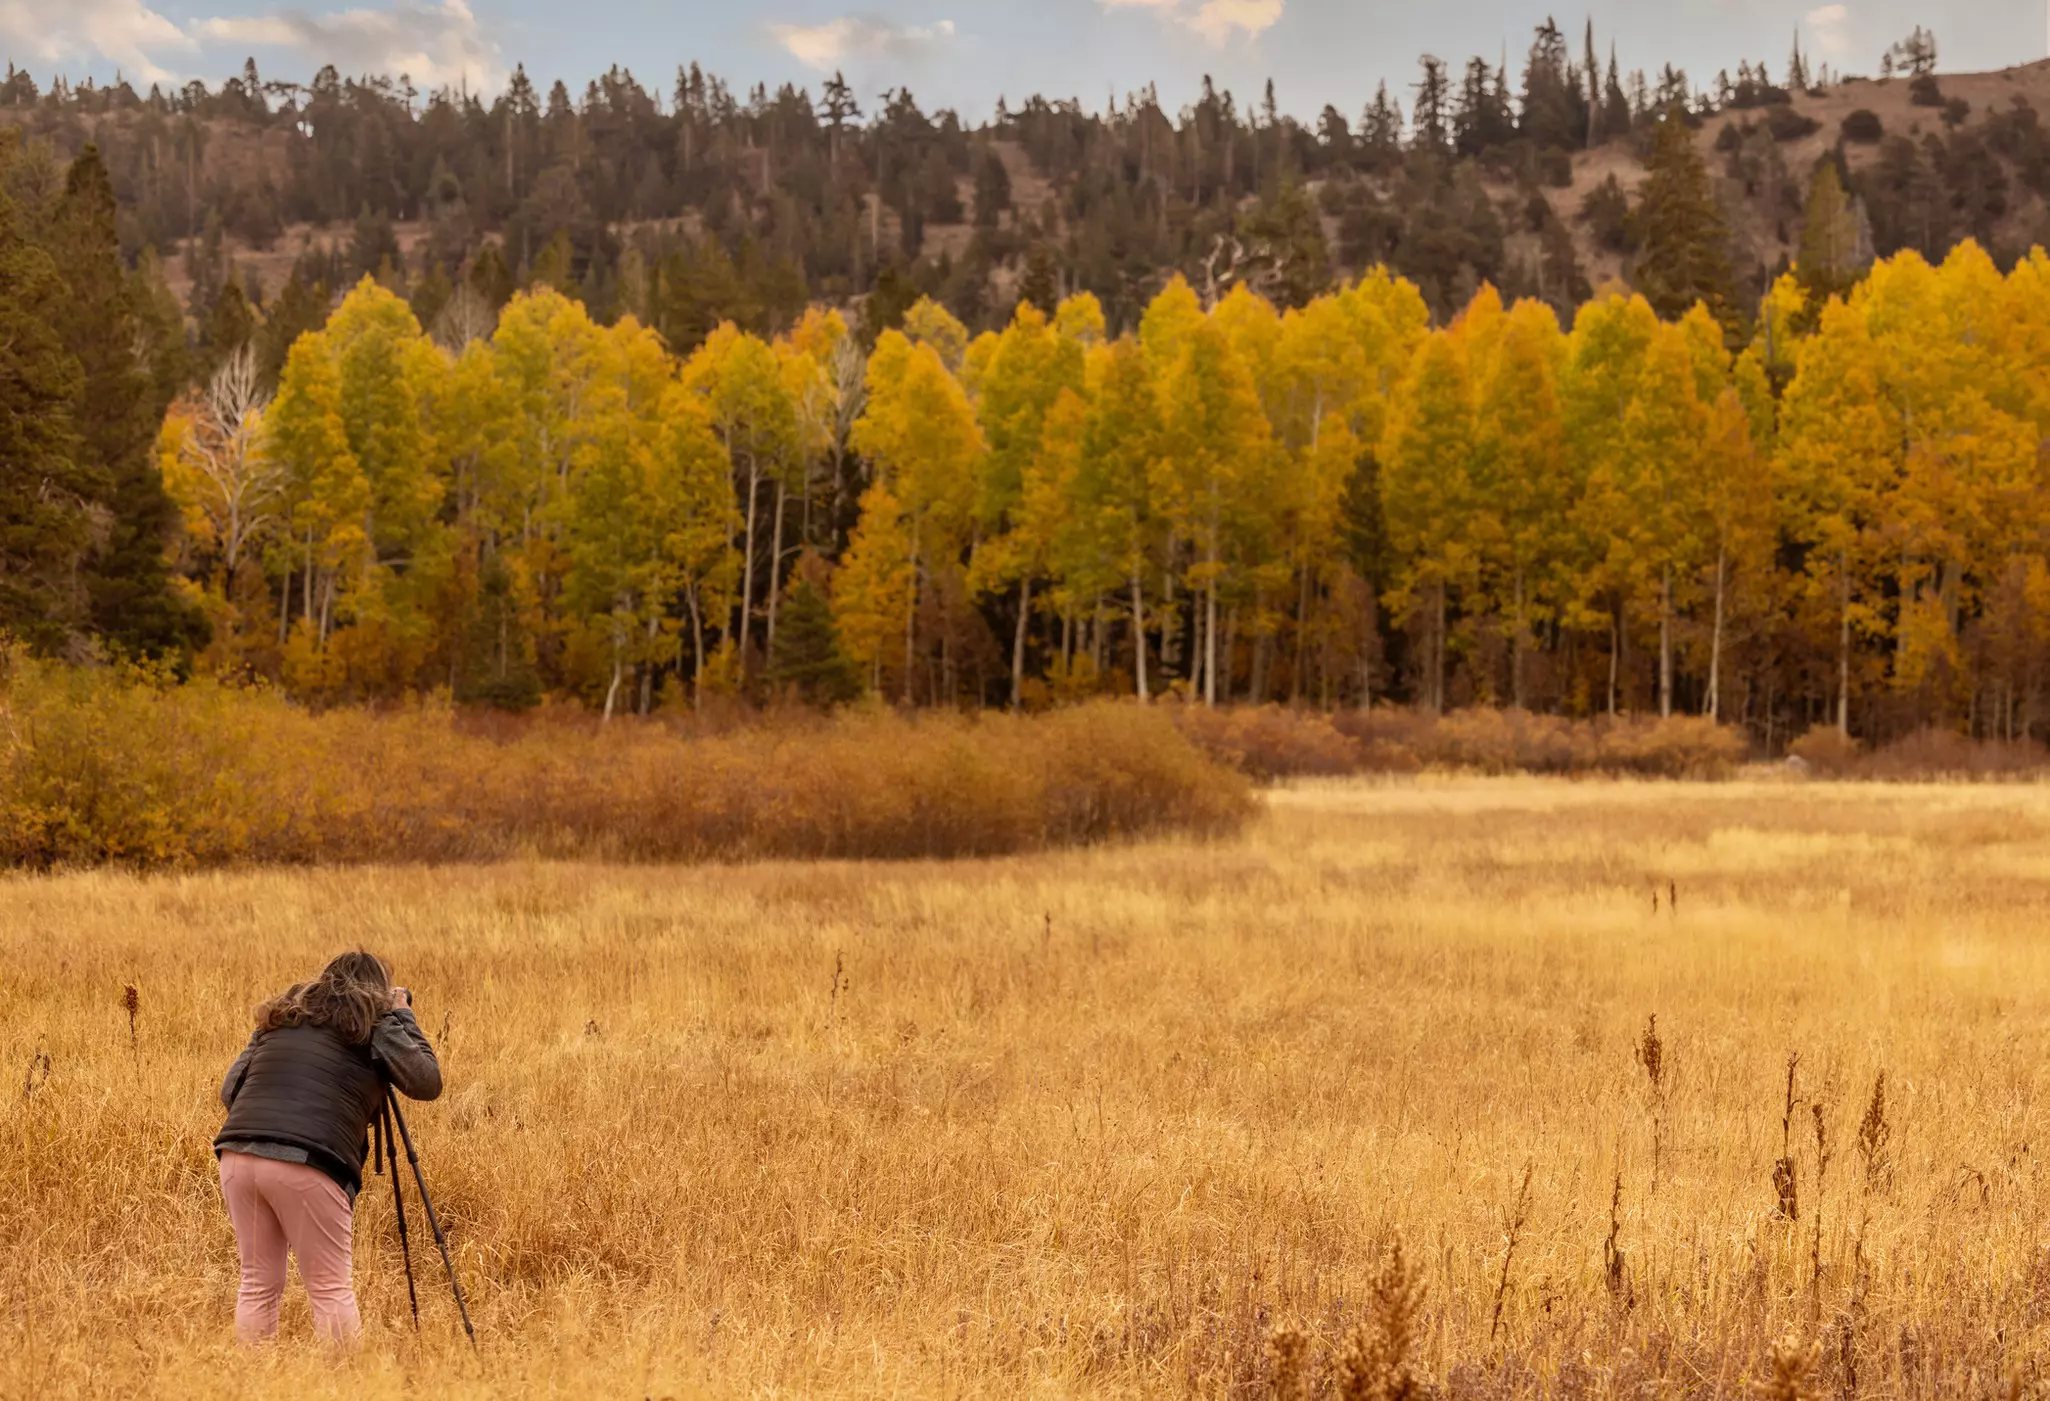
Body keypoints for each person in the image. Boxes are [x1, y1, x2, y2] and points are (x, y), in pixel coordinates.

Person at [214, 951, 442, 1344]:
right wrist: (401, 1013)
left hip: (237, 1154)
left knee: (257, 1284)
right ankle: (341, 1384)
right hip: (308, 1162)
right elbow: (426, 1082)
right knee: (330, 1288)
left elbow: (230, 1091)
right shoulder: (376, 1019)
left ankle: (249, 1383)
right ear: (378, 991)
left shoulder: (282, 1018)